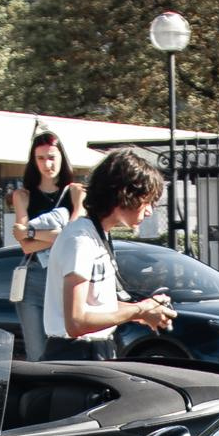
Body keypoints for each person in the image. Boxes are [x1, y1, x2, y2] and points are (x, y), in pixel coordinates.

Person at [45, 148, 176, 352]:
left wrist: (145, 310)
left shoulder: (97, 234)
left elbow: (98, 307)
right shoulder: (80, 239)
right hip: (76, 354)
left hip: (95, 349)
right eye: (147, 201)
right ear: (124, 194)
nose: (149, 211)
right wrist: (140, 309)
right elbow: (76, 322)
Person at [14, 123, 83, 361]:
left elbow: (73, 237)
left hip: (66, 275)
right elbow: (24, 243)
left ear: (62, 157)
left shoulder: (75, 193)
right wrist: (54, 235)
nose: (47, 164)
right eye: (41, 158)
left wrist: (33, 232)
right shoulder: (23, 195)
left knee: (65, 348)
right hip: (34, 276)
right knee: (36, 353)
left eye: (52, 157)